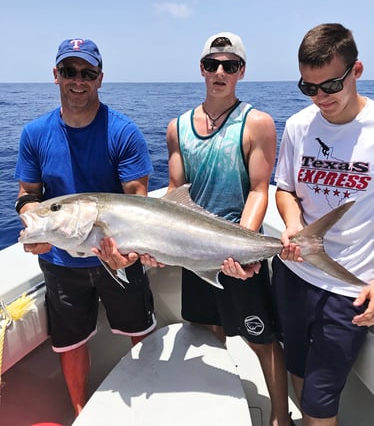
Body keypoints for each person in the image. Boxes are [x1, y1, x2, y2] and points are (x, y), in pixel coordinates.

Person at [15, 38, 157, 416]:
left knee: (137, 329)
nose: (77, 80)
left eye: (87, 73)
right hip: (62, 263)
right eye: (69, 71)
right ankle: (80, 412)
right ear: (55, 75)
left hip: (117, 258)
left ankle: (145, 407)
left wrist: (128, 254)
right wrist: (34, 226)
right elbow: (29, 195)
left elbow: (138, 204)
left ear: (100, 79)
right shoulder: (34, 133)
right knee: (70, 341)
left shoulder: (123, 132)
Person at [166, 31, 292, 426]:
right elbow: (174, 194)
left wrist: (243, 244)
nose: (220, 72)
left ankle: (279, 416)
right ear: (201, 69)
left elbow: (258, 191)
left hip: (238, 251)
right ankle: (216, 411)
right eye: (212, 64)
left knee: (262, 338)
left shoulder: (257, 122)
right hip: (193, 253)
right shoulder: (177, 127)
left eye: (230, 65)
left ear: (241, 71)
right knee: (206, 331)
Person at [272, 23, 374, 425]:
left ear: (357, 71)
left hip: (349, 286)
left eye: (330, 85)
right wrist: (294, 222)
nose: (320, 98)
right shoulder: (299, 126)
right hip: (296, 273)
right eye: (308, 87)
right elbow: (284, 188)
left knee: (318, 400)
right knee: (297, 368)